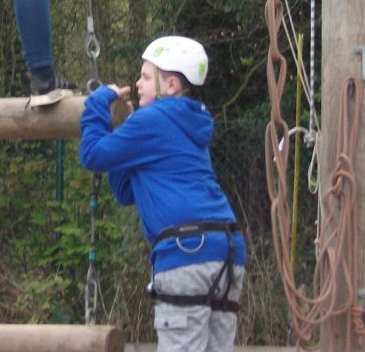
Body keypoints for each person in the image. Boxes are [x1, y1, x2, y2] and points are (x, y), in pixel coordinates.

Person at [79, 35, 245, 352]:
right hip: (227, 249)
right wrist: (123, 137)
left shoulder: (153, 119)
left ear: (170, 85)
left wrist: (98, 103)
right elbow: (126, 192)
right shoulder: (187, 123)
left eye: (145, 77)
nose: (137, 84)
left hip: (186, 251)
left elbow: (92, 155)